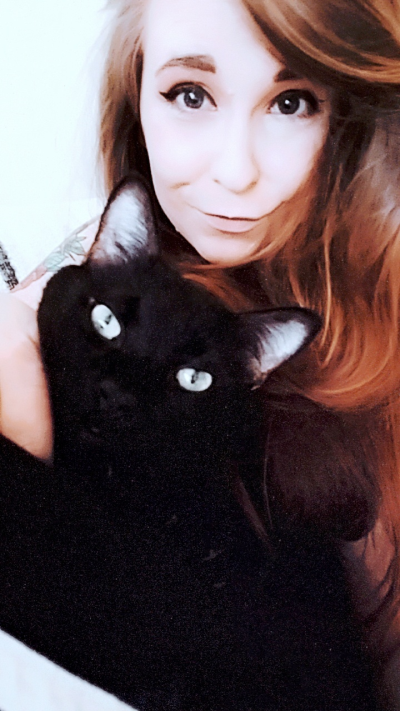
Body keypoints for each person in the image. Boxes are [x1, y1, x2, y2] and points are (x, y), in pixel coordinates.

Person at [1, 0, 400, 705]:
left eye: (292, 101)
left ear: (351, 114)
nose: (236, 172)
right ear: (135, 98)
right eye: (190, 94)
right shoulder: (83, 266)